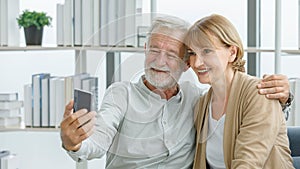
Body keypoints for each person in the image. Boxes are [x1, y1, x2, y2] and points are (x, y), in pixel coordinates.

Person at [60, 16, 292, 168]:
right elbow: (100, 135)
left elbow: (258, 128)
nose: (159, 61)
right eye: (154, 50)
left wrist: (282, 99)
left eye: (171, 54)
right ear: (144, 50)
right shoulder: (122, 94)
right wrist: (76, 143)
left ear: (184, 63)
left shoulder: (195, 98)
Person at [184, 14, 294, 168]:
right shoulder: (202, 104)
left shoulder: (259, 93)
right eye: (192, 53)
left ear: (232, 53)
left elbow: (248, 163)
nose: (197, 62)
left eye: (207, 51)